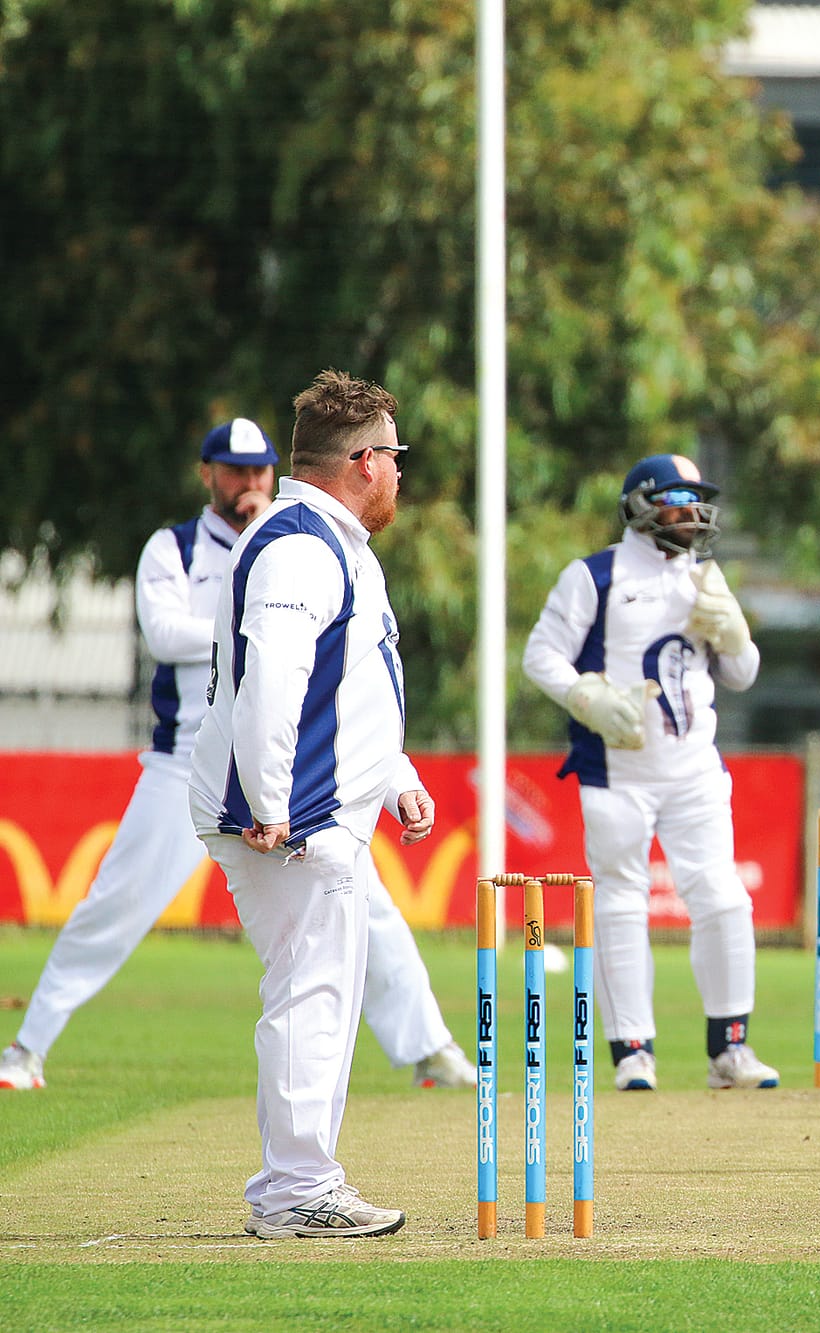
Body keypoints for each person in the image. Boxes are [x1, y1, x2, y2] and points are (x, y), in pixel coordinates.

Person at [0, 419, 473, 1097]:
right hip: (185, 761)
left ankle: (432, 1049)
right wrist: (250, 619)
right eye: (234, 471)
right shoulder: (177, 548)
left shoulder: (297, 538)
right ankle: (26, 1046)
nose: (248, 483)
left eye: (259, 471)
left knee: (366, 905)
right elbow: (163, 635)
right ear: (208, 474)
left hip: (284, 757)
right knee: (115, 905)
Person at [187, 373, 434, 1238]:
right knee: (310, 994)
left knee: (327, 989)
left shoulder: (338, 543)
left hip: (321, 810)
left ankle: (304, 1183)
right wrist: (272, 800)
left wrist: (395, 771)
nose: (401, 475)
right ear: (362, 462)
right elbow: (274, 686)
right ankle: (295, 1191)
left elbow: (351, 681)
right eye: (395, 459)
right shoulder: (298, 545)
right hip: (287, 817)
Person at [523, 453, 778, 1094]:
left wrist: (738, 637)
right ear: (641, 505)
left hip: (694, 769)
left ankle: (732, 1049)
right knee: (621, 902)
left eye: (696, 500)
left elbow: (743, 676)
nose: (691, 513)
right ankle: (632, 1051)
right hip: (619, 770)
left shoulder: (705, 578)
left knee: (722, 896)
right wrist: (585, 696)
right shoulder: (595, 575)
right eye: (676, 499)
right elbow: (540, 656)